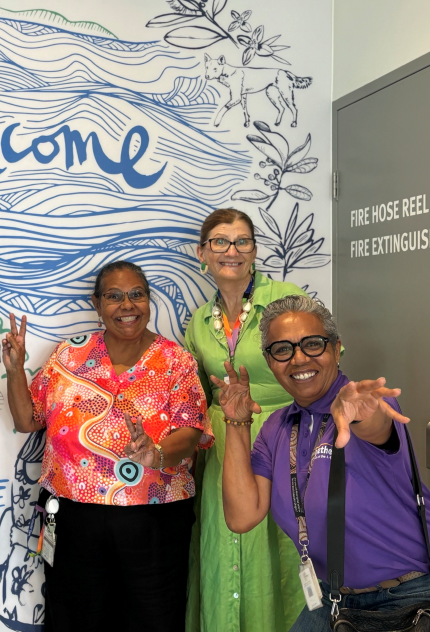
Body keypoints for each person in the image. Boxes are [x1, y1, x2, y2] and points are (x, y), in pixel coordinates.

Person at [3, 260, 213, 632]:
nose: (127, 305)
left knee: (153, 619)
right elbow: (27, 420)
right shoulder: (69, 355)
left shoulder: (176, 362)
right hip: (73, 519)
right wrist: (16, 368)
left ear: (149, 301)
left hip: (153, 520)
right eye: (114, 296)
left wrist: (156, 454)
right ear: (97, 304)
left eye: (137, 294)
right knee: (74, 618)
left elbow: (192, 432)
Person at [217, 295, 430, 631]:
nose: (299, 359)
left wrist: (358, 411)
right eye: (283, 349)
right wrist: (237, 423)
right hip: (331, 598)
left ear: (336, 347)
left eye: (313, 344)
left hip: (406, 597)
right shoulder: (276, 427)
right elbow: (242, 516)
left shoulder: (360, 405)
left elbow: (375, 425)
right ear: (269, 360)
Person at [184, 208, 307, 632]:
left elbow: (323, 361)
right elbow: (197, 392)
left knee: (284, 551)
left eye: (242, 241)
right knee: (226, 550)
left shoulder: (286, 298)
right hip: (223, 446)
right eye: (220, 241)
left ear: (254, 251)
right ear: (202, 252)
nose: (231, 251)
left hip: (285, 438)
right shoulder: (198, 322)